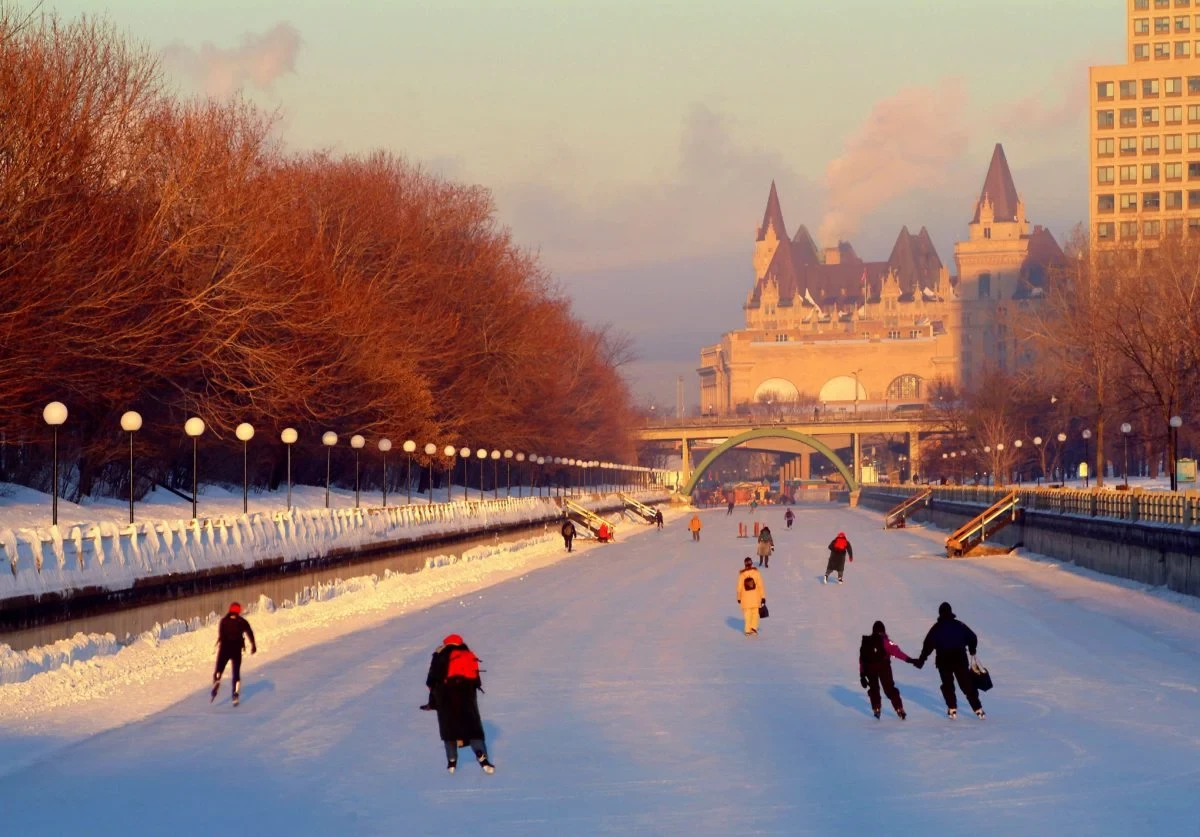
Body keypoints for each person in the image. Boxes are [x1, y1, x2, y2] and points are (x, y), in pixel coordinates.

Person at [424, 633, 495, 773]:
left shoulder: (441, 653)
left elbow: (432, 678)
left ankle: (451, 761)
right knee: (472, 727)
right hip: (467, 695)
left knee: (449, 728)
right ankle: (482, 757)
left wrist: (433, 700)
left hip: (446, 695)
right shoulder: (467, 653)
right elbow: (476, 680)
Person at [913, 602, 986, 720]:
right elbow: (973, 637)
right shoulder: (960, 625)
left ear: (940, 613)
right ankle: (978, 709)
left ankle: (952, 708)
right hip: (960, 659)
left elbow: (928, 644)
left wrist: (922, 659)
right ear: (951, 612)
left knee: (947, 685)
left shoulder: (937, 627)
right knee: (966, 685)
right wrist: (972, 649)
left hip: (943, 660)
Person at [859, 620, 913, 720]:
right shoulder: (885, 641)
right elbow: (897, 652)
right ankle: (899, 708)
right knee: (889, 688)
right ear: (883, 630)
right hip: (884, 666)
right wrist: (909, 660)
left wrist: (862, 674)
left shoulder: (867, 642)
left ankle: (876, 708)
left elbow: (862, 659)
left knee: (874, 689)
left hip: (870, 668)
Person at [210, 602, 256, 706]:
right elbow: (249, 632)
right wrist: (253, 644)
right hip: (236, 649)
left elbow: (221, 635)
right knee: (236, 673)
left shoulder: (224, 621)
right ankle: (235, 694)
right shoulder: (242, 621)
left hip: (224, 649)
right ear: (238, 611)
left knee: (219, 667)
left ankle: (217, 678)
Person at [736, 557, 766, 636]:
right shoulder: (756, 573)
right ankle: (753, 628)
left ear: (745, 564)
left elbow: (739, 588)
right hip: (755, 598)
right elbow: (760, 586)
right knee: (755, 613)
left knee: (747, 614)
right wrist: (763, 597)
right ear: (751, 563)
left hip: (745, 599)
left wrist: (739, 598)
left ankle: (747, 630)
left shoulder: (742, 575)